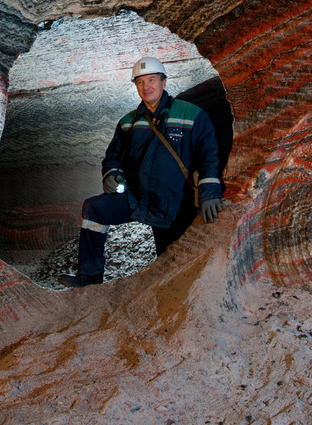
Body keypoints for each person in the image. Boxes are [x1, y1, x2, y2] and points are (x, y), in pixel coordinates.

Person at [59, 56, 223, 287]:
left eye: (152, 80)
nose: (147, 87)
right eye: (140, 82)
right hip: (136, 198)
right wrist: (112, 174)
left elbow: (208, 156)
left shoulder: (192, 115)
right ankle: (90, 276)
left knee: (168, 263)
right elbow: (113, 155)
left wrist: (209, 193)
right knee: (94, 208)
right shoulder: (128, 122)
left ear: (164, 82)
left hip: (173, 203)